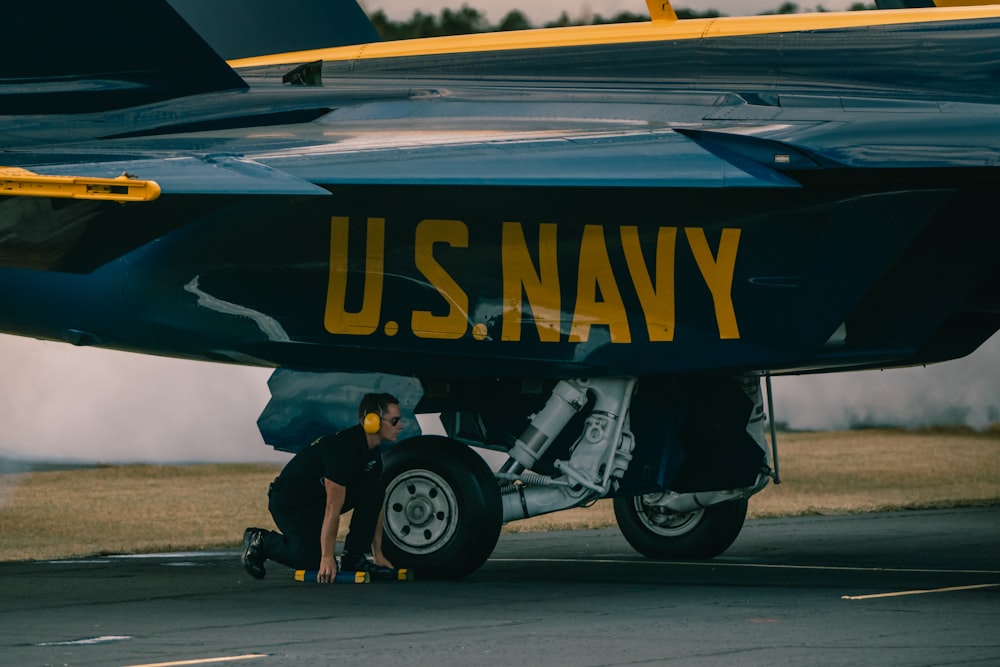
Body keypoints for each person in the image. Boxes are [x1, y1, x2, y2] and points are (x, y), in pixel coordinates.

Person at [241, 392, 404, 582]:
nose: (400, 425)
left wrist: (378, 553)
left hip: (316, 501)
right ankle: (261, 541)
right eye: (394, 421)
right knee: (311, 560)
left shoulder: (372, 454)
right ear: (372, 421)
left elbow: (375, 504)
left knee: (375, 490)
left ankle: (354, 557)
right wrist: (326, 557)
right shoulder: (344, 450)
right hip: (291, 503)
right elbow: (332, 507)